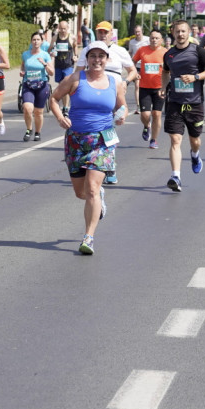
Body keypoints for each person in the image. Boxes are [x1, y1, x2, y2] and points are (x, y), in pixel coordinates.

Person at [50, 41, 127, 255]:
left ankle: (88, 237)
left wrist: (122, 116)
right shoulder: (75, 79)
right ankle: (97, 199)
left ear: (107, 59)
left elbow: (121, 106)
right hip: (76, 140)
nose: (97, 60)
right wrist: (60, 117)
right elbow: (54, 99)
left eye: (101, 56)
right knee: (80, 193)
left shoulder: (114, 82)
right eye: (93, 56)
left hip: (102, 140)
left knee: (92, 188)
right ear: (87, 58)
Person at [73, 21, 138, 185]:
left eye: (105, 32)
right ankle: (101, 163)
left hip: (113, 92)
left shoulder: (119, 51)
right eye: (100, 32)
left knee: (109, 129)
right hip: (93, 91)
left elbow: (133, 71)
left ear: (111, 34)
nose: (102, 35)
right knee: (99, 130)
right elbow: (78, 73)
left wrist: (125, 82)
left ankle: (108, 164)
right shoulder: (87, 51)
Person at [161, 20, 205, 191]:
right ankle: (175, 176)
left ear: (188, 33)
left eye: (183, 31)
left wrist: (195, 77)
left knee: (195, 140)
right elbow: (165, 72)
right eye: (177, 31)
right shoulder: (169, 54)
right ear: (173, 33)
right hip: (175, 102)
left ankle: (195, 155)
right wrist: (163, 88)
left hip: (194, 103)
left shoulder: (198, 51)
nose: (180, 34)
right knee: (175, 139)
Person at [133, 28, 167, 150]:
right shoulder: (142, 50)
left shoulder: (165, 52)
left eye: (157, 38)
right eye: (152, 38)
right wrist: (135, 72)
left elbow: (171, 69)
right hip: (145, 87)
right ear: (149, 39)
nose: (154, 40)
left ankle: (154, 140)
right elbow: (132, 61)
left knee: (157, 114)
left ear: (161, 40)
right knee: (145, 114)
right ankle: (147, 125)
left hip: (159, 87)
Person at [19, 32, 54, 141]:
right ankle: (29, 129)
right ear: (31, 41)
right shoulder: (26, 54)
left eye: (38, 40)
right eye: (34, 39)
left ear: (41, 41)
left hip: (41, 85)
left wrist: (44, 64)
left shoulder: (45, 55)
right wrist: (22, 72)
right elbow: (23, 66)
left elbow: (51, 72)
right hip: (28, 84)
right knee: (27, 108)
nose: (36, 42)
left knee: (38, 112)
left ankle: (38, 132)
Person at [49, 20, 76, 116]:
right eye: (61, 28)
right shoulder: (55, 38)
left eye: (64, 29)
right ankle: (63, 104)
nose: (62, 30)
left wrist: (75, 56)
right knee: (61, 85)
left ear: (67, 28)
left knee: (66, 85)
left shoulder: (72, 37)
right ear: (58, 28)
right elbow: (49, 50)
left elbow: (75, 47)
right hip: (58, 65)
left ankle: (65, 107)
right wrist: (51, 53)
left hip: (68, 65)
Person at [127, 24, 149, 113]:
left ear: (142, 31)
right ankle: (138, 106)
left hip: (147, 66)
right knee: (137, 85)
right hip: (137, 66)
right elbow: (130, 53)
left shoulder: (147, 40)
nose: (137, 33)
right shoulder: (132, 42)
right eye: (136, 32)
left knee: (147, 85)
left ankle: (148, 102)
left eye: (139, 32)